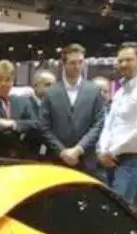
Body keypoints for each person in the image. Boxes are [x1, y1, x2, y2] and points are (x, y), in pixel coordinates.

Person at [96, 42, 137, 206]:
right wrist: (103, 150)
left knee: (120, 208)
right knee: (109, 206)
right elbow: (109, 124)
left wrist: (110, 152)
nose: (124, 64)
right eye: (120, 60)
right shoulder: (120, 92)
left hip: (131, 161)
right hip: (110, 159)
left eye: (129, 60)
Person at [37, 43, 105, 178]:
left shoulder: (94, 91)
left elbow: (98, 124)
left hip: (86, 160)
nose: (77, 67)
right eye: (73, 63)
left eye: (80, 62)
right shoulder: (51, 93)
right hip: (57, 160)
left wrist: (79, 149)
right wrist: (62, 151)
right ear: (64, 64)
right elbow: (44, 127)